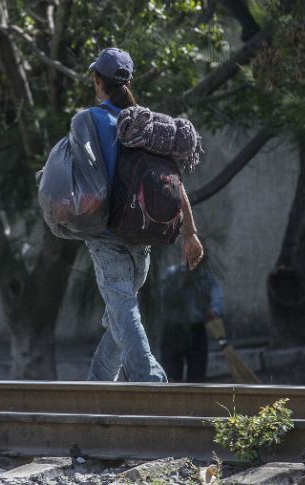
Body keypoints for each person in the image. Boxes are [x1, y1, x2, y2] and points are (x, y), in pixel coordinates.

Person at [80, 47, 205, 382]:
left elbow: (75, 174)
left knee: (122, 309)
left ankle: (151, 380)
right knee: (120, 314)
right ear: (129, 82)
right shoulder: (146, 125)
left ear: (98, 80)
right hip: (143, 236)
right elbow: (174, 182)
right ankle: (97, 386)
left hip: (107, 235)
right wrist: (190, 233)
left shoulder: (90, 120)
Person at [158, 258, 223, 382]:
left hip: (196, 330)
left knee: (197, 377)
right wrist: (182, 283)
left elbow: (217, 297)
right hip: (173, 330)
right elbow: (161, 297)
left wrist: (214, 311)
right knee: (171, 377)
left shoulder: (205, 276)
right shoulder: (172, 274)